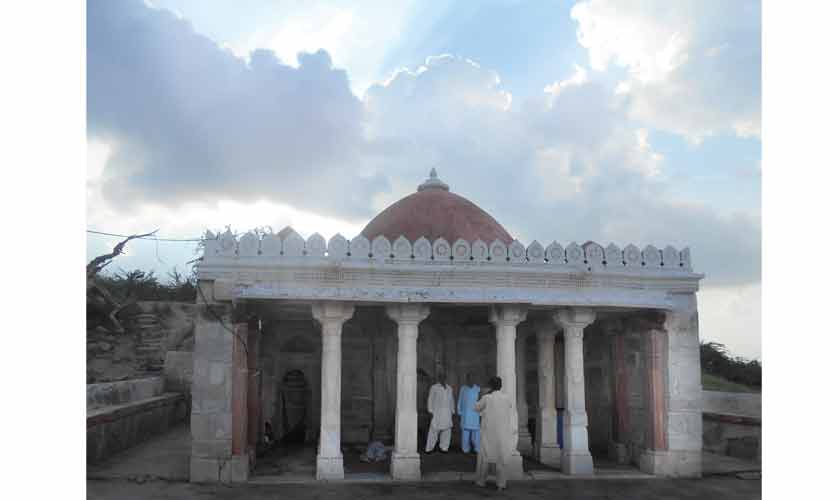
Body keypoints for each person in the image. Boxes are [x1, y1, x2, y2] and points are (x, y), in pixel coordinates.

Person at [474, 376, 516, 491]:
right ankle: (501, 485)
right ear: (501, 386)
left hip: (488, 433)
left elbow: (476, 408)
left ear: (491, 386)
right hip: (502, 433)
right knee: (501, 459)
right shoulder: (506, 398)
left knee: (484, 457)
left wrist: (482, 395)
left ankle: (481, 481)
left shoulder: (487, 398)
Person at [425, 372, 455, 453]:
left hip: (447, 413)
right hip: (437, 412)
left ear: (446, 378)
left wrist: (452, 411)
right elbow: (430, 399)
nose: (443, 379)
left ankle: (444, 448)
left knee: (447, 431)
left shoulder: (449, 388)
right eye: (441, 377)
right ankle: (429, 448)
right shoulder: (434, 387)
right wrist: (430, 411)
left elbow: (451, 400)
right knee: (433, 431)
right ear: (439, 378)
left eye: (444, 377)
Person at [457, 372, 481, 454]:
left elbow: (480, 402)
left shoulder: (478, 389)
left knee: (476, 434)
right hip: (465, 415)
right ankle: (465, 449)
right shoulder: (463, 389)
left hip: (475, 415)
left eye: (472, 378)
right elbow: (460, 401)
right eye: (469, 378)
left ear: (474, 379)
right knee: (465, 434)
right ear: (467, 379)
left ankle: (477, 448)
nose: (470, 380)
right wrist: (459, 412)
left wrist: (481, 414)